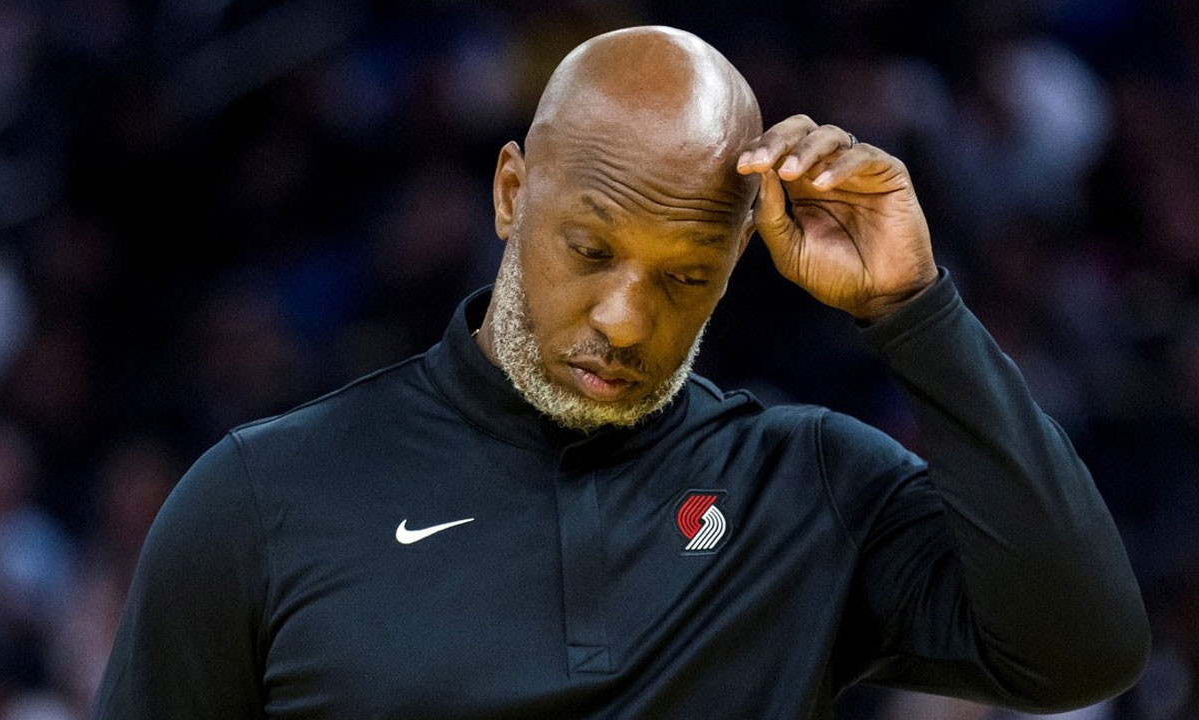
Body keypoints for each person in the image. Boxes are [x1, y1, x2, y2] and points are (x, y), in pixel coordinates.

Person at [93, 26, 1149, 719]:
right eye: (590, 249)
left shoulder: (806, 487)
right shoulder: (260, 500)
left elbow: (1081, 648)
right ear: (512, 194)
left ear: (735, 263)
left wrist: (917, 312)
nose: (625, 319)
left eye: (684, 275)